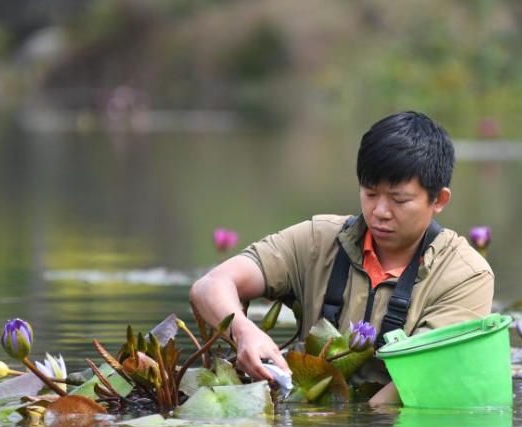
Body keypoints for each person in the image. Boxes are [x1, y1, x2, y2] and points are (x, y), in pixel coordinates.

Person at [189, 111, 494, 405]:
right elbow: (210, 286)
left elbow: (397, 397)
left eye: (399, 199)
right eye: (370, 193)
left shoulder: (466, 275)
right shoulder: (317, 240)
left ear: (438, 200)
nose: (380, 212)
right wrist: (244, 332)